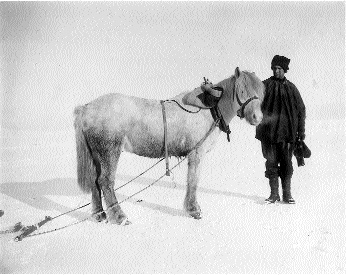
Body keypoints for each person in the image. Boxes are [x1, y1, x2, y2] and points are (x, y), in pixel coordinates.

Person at [256, 55, 306, 204]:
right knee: (271, 163)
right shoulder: (264, 86)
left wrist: (301, 132)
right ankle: (274, 194)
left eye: (279, 68)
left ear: (285, 70)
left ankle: (287, 194)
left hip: (287, 134)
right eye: (274, 68)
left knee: (287, 164)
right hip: (268, 133)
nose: (276, 71)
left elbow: (301, 110)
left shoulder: (291, 88)